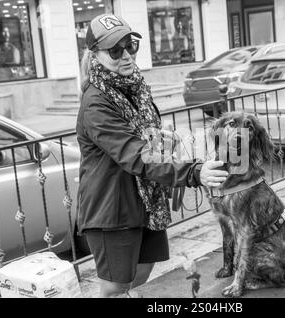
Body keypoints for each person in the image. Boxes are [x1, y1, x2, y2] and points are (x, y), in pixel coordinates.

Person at [76, 14, 228, 298]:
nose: (126, 55)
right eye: (114, 50)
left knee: (144, 271)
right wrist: (194, 172)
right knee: (115, 286)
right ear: (95, 55)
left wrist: (160, 139)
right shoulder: (96, 102)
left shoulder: (134, 86)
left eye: (130, 45)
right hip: (113, 208)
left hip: (145, 199)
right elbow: (135, 154)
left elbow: (142, 139)